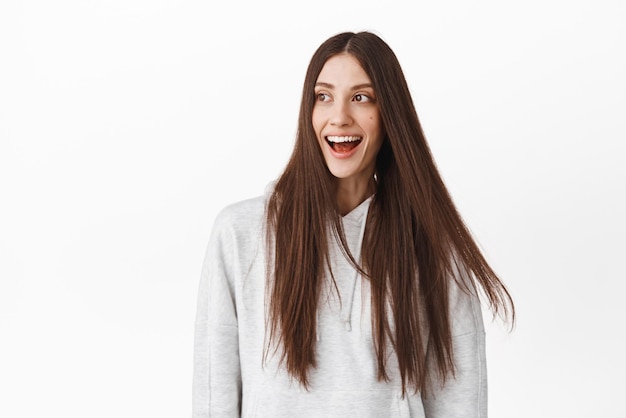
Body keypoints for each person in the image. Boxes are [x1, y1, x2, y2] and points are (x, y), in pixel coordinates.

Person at [192, 31, 515, 417]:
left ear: (389, 114)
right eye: (323, 96)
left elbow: (459, 400)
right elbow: (215, 397)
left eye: (361, 97)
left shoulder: (433, 244)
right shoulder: (240, 235)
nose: (339, 116)